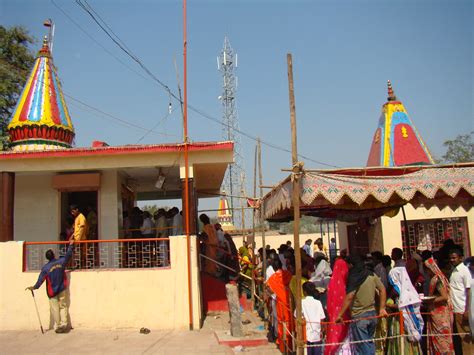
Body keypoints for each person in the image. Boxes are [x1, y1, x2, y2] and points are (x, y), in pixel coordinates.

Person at [336, 254, 388, 355]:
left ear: (351, 265)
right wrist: (381, 308)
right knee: (369, 343)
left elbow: (350, 296)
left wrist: (340, 315)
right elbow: (382, 289)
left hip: (359, 316)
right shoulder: (371, 275)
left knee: (362, 346)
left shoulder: (354, 277)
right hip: (372, 315)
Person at [26, 236, 75, 333]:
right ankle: (64, 323)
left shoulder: (45, 268)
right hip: (61, 288)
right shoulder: (61, 262)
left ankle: (59, 325)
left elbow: (40, 281)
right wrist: (71, 245)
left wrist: (34, 287)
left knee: (55, 308)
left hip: (52, 291)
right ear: (53, 255)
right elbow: (68, 255)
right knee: (63, 306)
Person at [386, 266, 424, 354]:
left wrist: (389, 305)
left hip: (403, 322)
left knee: (404, 342)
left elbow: (401, 305)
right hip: (397, 320)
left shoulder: (401, 290)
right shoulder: (405, 289)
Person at [423, 257, 454, 354]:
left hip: (440, 315)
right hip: (439, 313)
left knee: (442, 340)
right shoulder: (439, 277)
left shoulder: (437, 279)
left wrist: (430, 301)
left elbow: (444, 296)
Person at [266, 257, 294, 353]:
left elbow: (268, 289)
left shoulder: (273, 278)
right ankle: (290, 344)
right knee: (289, 321)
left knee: (280, 321)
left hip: (278, 302)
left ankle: (281, 342)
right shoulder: (288, 274)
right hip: (289, 301)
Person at [325, 258, 351, 355]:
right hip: (344, 315)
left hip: (335, 316)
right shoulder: (347, 284)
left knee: (335, 337)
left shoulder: (331, 283)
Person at [449, 248, 472, 354]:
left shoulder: (464, 271)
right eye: (451, 258)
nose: (452, 260)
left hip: (462, 309)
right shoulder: (454, 271)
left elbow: (468, 291)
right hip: (455, 309)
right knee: (460, 338)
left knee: (466, 338)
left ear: (461, 258)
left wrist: (467, 310)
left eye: (454, 258)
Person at [298, 282, 326, 355]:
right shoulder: (318, 303)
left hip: (305, 335)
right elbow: (322, 318)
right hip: (317, 334)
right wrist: (322, 331)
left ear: (304, 292)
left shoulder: (301, 302)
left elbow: (296, 315)